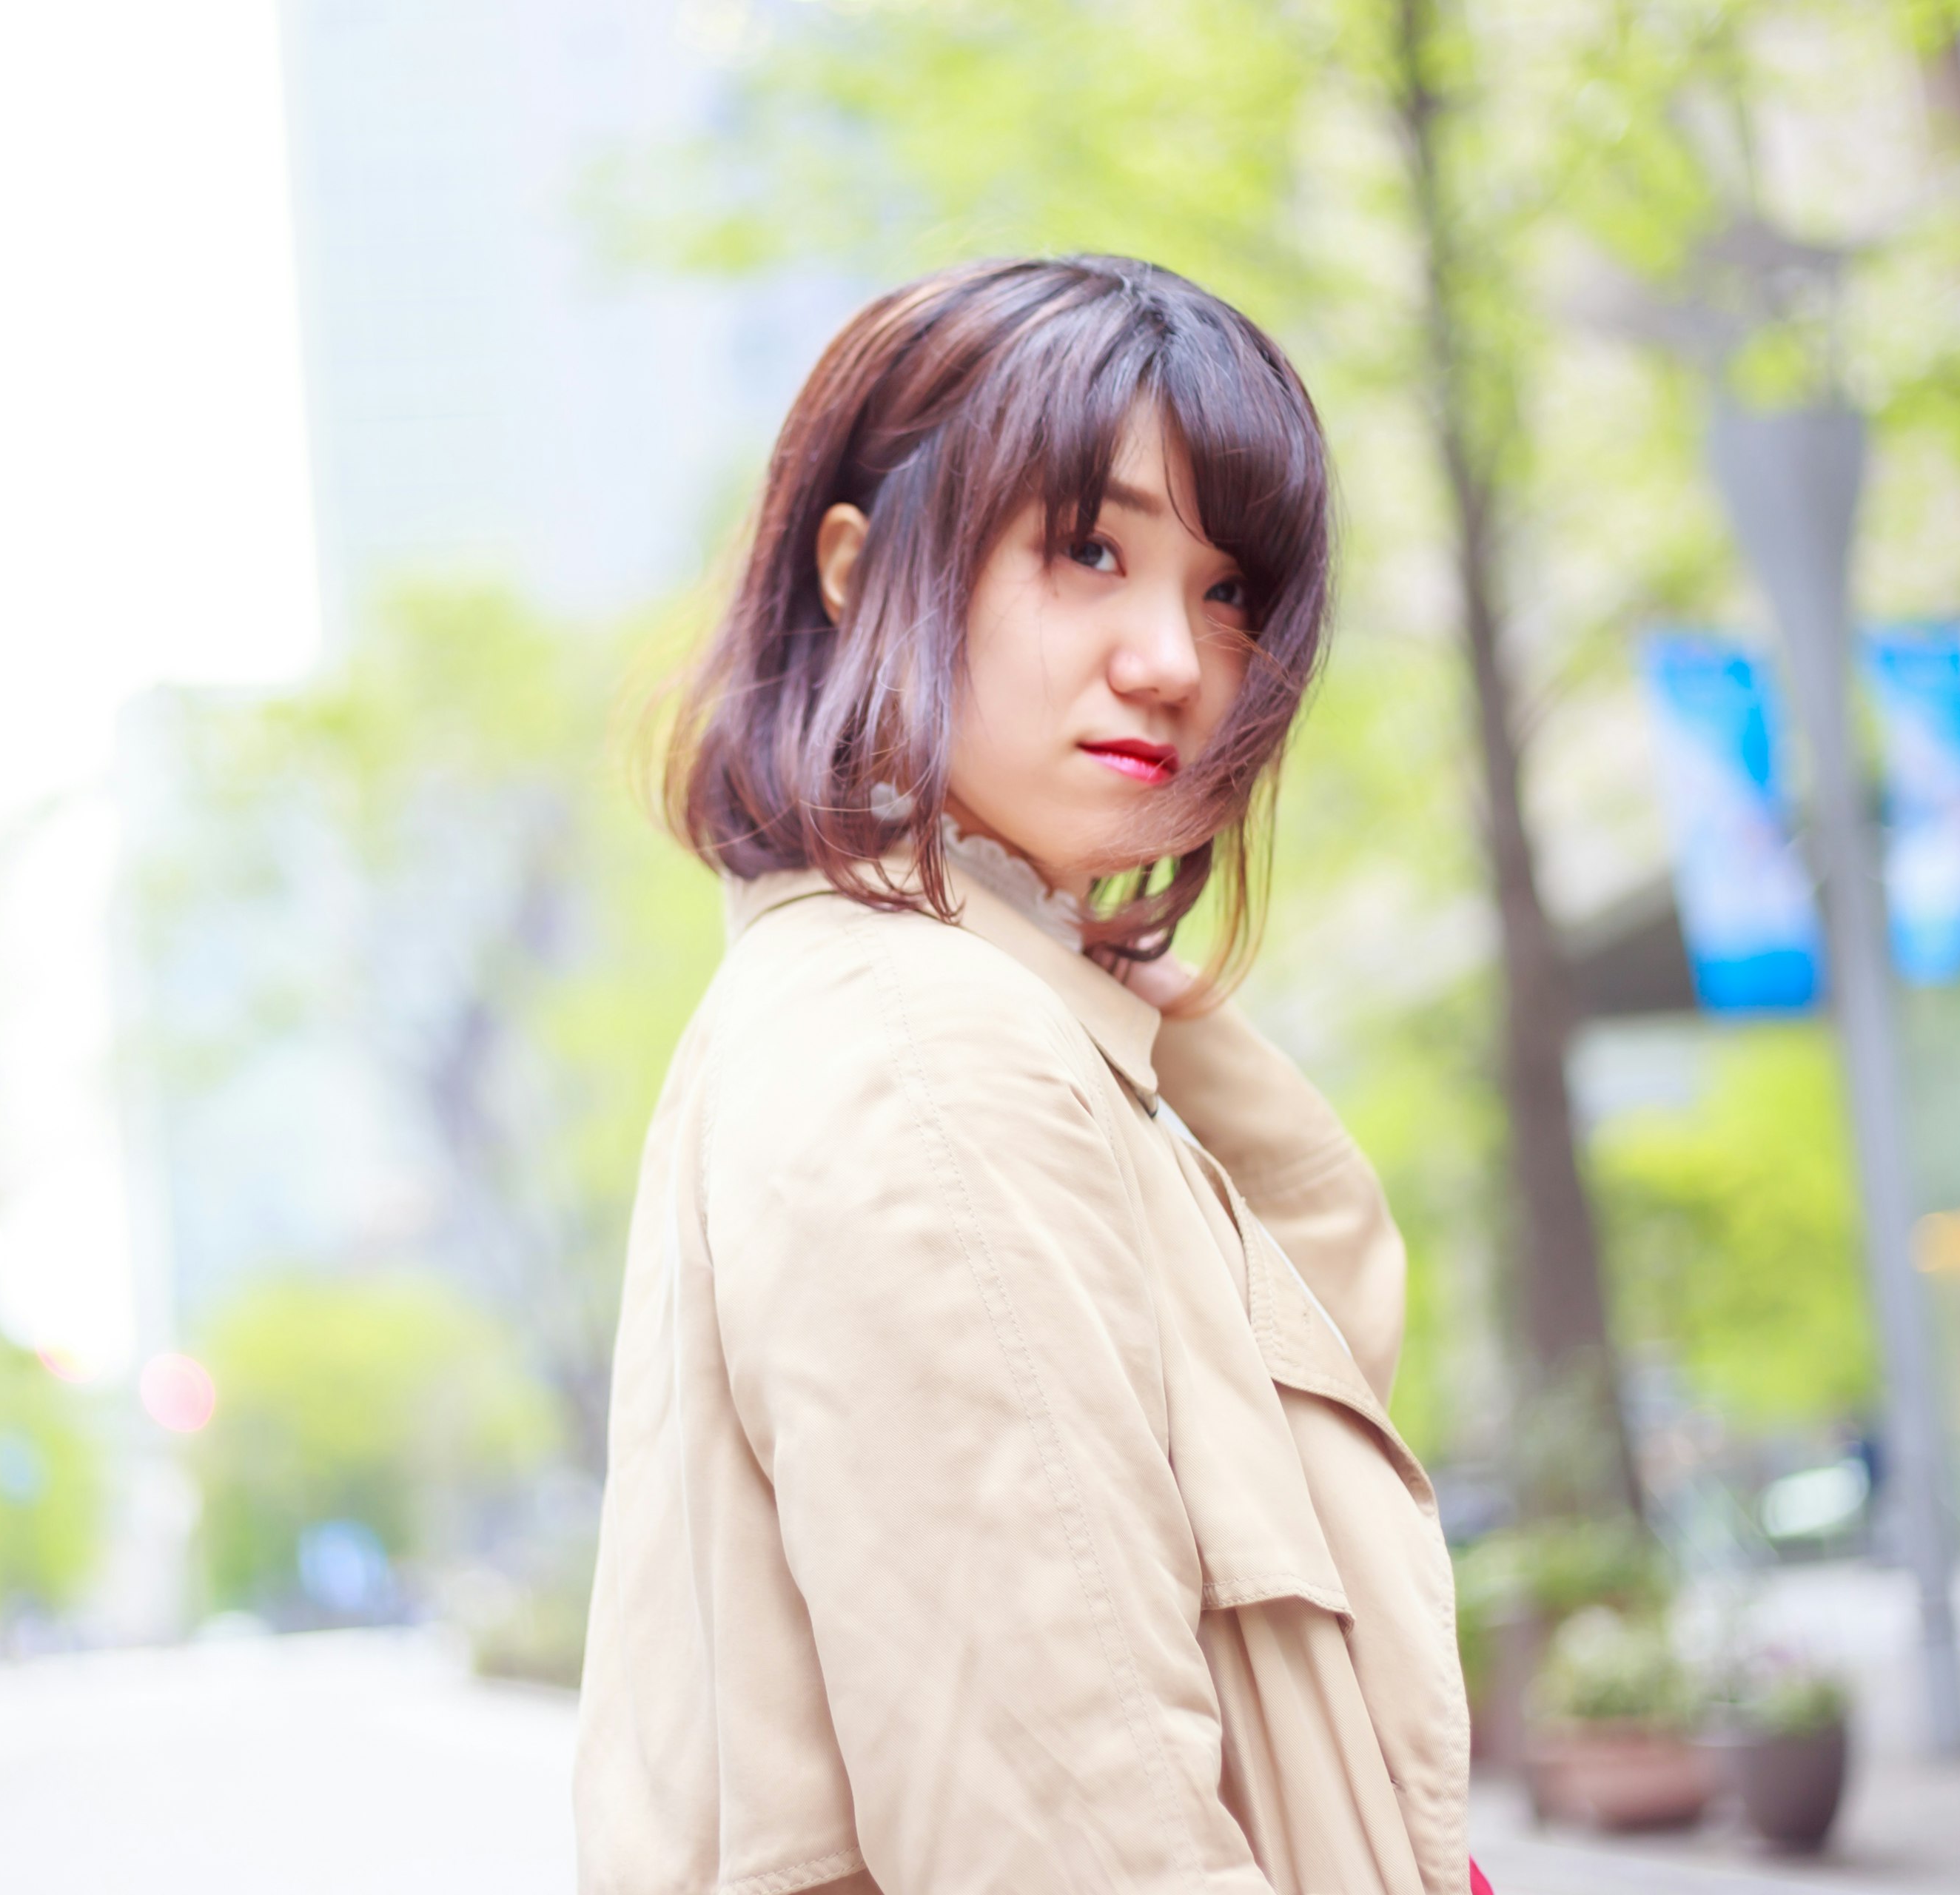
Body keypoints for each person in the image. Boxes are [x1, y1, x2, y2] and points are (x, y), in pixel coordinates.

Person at [574, 257, 1474, 1895]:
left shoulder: (1024, 1024)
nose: (1176, 661)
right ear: (857, 569)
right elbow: (1078, 1838)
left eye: (1228, 590)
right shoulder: (924, 1054)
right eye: (1089, 549)